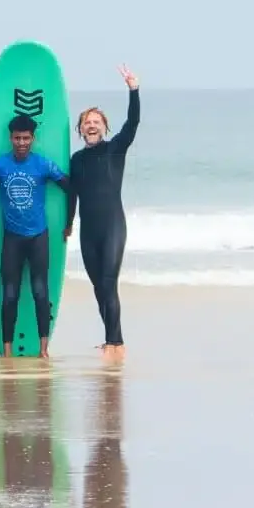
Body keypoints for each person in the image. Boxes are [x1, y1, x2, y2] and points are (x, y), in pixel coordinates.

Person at [0, 114, 73, 358]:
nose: (21, 143)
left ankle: (43, 350)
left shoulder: (43, 165)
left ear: (33, 139)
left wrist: (69, 222)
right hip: (12, 239)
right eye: (17, 138)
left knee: (41, 292)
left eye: (26, 138)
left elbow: (70, 188)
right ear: (10, 138)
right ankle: (7, 352)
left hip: (39, 237)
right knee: (10, 294)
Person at [66, 64, 140, 354]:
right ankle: (113, 338)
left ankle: (114, 342)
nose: (92, 125)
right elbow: (72, 193)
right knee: (99, 287)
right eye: (87, 122)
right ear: (81, 129)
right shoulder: (76, 160)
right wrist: (69, 223)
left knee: (109, 282)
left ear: (104, 127)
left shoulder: (115, 149)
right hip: (88, 231)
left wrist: (133, 90)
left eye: (96, 121)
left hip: (112, 227)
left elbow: (132, 123)